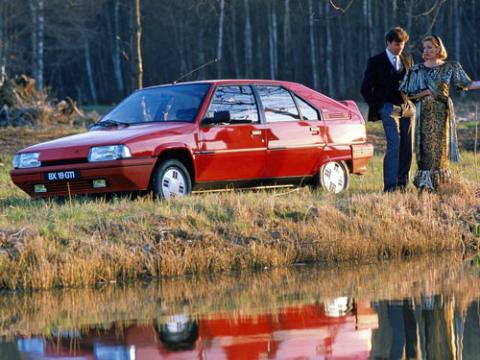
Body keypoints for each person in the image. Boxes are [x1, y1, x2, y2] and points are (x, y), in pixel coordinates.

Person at [399, 35, 480, 190]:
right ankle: (425, 185)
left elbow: (467, 84)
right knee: (425, 151)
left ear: (438, 48)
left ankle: (441, 185)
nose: (426, 51)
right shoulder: (417, 70)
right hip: (424, 115)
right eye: (424, 48)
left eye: (430, 47)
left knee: (441, 151)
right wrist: (425, 93)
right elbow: (407, 93)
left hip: (442, 114)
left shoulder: (451, 67)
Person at [361, 27, 416, 192]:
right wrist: (380, 107)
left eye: (403, 44)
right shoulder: (375, 61)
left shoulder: (407, 58)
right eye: (397, 44)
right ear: (388, 43)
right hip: (388, 108)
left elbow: (412, 83)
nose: (400, 48)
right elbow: (365, 89)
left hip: (407, 107)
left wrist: (413, 102)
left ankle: (402, 185)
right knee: (394, 145)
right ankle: (391, 187)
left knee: (407, 147)